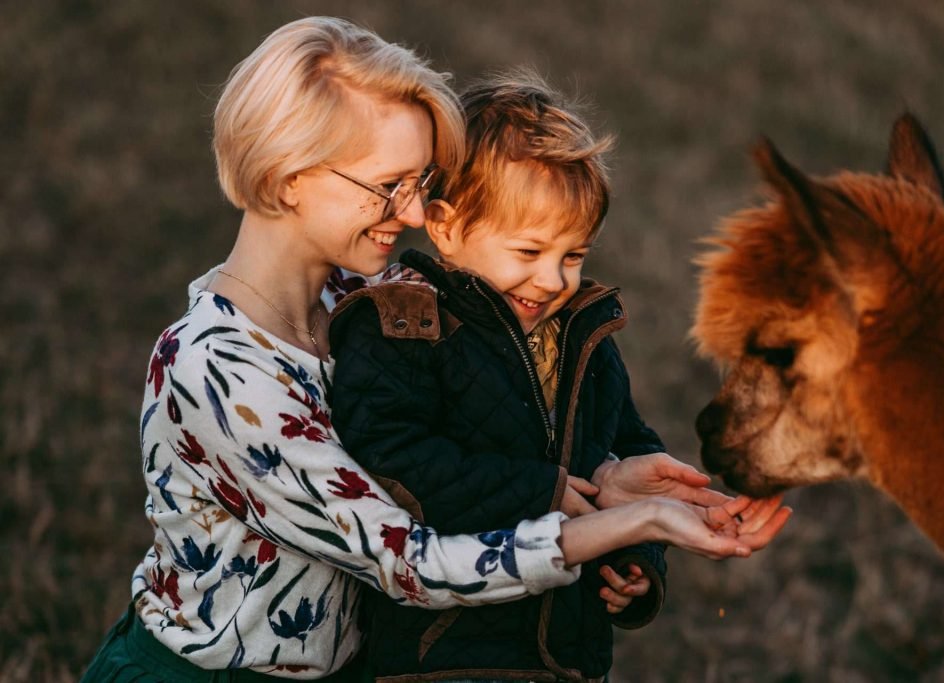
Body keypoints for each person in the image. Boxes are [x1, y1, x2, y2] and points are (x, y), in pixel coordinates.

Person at [81, 17, 789, 682]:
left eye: (419, 185)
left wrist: (606, 474)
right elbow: (408, 562)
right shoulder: (211, 369)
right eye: (388, 187)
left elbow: (481, 437)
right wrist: (621, 522)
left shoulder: (371, 304)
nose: (417, 213)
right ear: (288, 177)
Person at [327, 71, 790, 682]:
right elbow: (390, 464)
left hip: (563, 657)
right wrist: (539, 492)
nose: (553, 280)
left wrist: (637, 557)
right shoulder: (402, 327)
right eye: (528, 252)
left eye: (573, 256)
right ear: (446, 226)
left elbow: (624, 448)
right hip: (443, 658)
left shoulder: (581, 334)